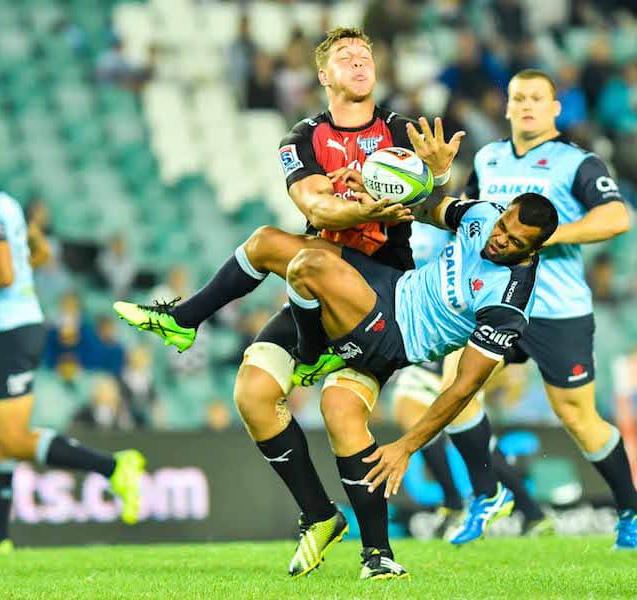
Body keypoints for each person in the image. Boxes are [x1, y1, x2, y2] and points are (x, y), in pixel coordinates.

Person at [114, 27, 463, 580]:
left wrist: (435, 175)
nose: (358, 61)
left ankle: (379, 555)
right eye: (345, 56)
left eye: (365, 54)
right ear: (323, 76)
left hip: (381, 294)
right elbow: (314, 208)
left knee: (296, 279)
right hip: (319, 284)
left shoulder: (399, 129)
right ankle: (320, 515)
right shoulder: (300, 138)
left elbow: (427, 203)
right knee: (254, 393)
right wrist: (367, 204)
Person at [458, 69, 637, 549]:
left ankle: (633, 507)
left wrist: (546, 235)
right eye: (518, 97)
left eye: (536, 98)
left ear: (554, 108)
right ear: (505, 107)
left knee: (578, 419)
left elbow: (617, 217)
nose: (526, 105)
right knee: (456, 388)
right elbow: (466, 213)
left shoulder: (576, 163)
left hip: (557, 308)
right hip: (497, 303)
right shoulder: (487, 159)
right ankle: (488, 494)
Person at [0, 151, 145, 553]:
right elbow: (38, 252)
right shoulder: (6, 204)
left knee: (9, 437)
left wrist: (14, 279)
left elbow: (2, 274)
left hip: (6, 330)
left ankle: (114, 466)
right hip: (13, 324)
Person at [389, 221, 553, 541]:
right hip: (437, 331)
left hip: (473, 332)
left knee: (461, 419)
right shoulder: (414, 225)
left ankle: (528, 510)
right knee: (410, 407)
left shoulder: (471, 229)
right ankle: (454, 501)